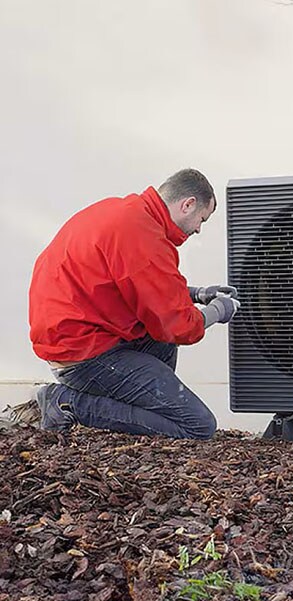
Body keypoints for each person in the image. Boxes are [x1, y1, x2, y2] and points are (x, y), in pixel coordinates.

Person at [23, 168, 240, 439]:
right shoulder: (144, 238)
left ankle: (142, 418)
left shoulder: (127, 214)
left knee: (160, 339)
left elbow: (136, 283)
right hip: (81, 354)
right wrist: (219, 311)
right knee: (197, 426)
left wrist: (197, 293)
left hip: (78, 335)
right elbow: (181, 326)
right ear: (188, 204)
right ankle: (65, 403)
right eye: (202, 220)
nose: (198, 228)